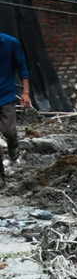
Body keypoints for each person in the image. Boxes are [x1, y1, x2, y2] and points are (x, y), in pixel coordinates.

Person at [0, 29, 30, 174]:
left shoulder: (10, 43)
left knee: (9, 131)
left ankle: (14, 149)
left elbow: (22, 67)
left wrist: (25, 93)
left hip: (5, 95)